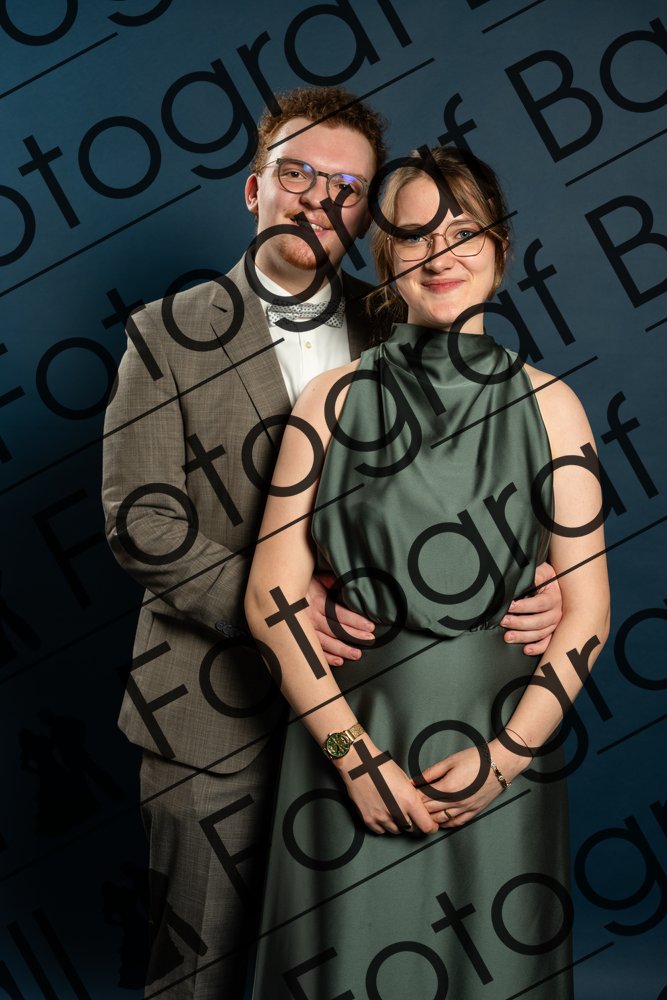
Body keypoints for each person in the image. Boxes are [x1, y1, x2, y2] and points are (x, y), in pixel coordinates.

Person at [102, 86, 562, 999]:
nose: (318, 199)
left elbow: (480, 477)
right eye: (297, 174)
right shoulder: (165, 334)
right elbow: (141, 523)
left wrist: (542, 573)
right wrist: (281, 603)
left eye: (345, 189)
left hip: (378, 708)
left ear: (366, 220)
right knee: (202, 969)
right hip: (215, 711)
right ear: (254, 188)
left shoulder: (406, 311)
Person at [245, 146, 610, 998]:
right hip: (349, 743)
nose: (440, 254)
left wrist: (505, 760)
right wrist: (354, 758)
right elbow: (268, 599)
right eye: (413, 235)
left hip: (503, 748)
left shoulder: (553, 406)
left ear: (500, 249)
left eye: (462, 231)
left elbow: (588, 612)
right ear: (386, 260)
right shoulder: (330, 401)